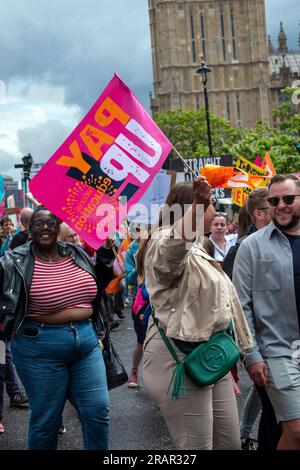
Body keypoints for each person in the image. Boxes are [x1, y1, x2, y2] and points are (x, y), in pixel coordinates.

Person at [137, 178, 253, 450]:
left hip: (209, 354)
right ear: (192, 207)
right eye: (210, 205)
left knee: (229, 444)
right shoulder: (163, 240)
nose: (214, 212)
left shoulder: (199, 245)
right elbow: (171, 253)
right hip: (179, 357)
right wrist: (199, 208)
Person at [0, 207, 109, 450]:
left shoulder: (76, 252)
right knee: (46, 421)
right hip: (39, 347)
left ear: (58, 227)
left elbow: (101, 282)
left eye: (51, 223)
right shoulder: (13, 260)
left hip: (86, 343)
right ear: (29, 229)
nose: (46, 227)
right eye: (39, 223)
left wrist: (106, 250)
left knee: (98, 412)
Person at [233, 174, 300, 450]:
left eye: (288, 199)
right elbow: (239, 306)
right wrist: (251, 355)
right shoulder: (252, 246)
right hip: (278, 352)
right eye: (274, 201)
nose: (281, 205)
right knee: (296, 431)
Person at [125, 224, 149, 388]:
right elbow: (129, 279)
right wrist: (140, 265)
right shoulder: (131, 250)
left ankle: (156, 375)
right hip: (141, 299)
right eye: (140, 228)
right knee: (141, 340)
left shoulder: (161, 243)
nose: (144, 232)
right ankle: (134, 371)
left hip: (161, 298)